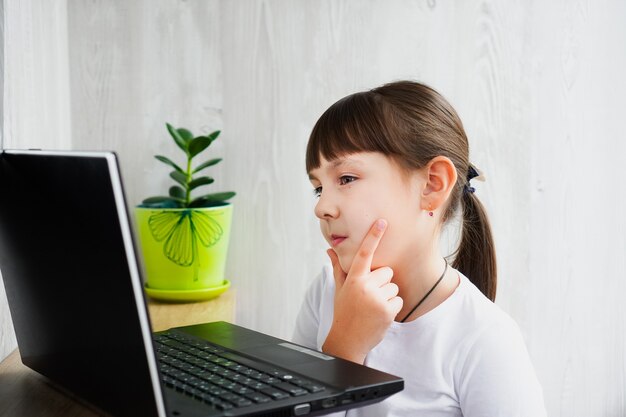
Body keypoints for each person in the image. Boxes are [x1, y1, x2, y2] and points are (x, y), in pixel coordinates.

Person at [293, 80, 546, 416]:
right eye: (318, 188)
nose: (322, 206)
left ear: (431, 185)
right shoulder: (324, 293)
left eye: (347, 179)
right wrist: (343, 348)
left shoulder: (486, 341)